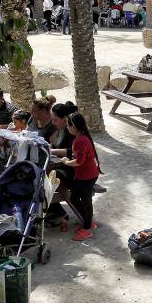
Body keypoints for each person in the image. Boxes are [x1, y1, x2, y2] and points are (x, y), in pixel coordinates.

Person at [59, 112, 101, 241]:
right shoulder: (81, 138)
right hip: (83, 176)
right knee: (75, 199)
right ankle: (88, 222)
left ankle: (87, 228)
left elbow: (79, 161)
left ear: (74, 126)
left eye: (68, 125)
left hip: (88, 176)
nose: (67, 127)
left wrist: (66, 162)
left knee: (86, 201)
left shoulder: (79, 140)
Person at [46, 101, 78, 230]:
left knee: (50, 175)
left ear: (65, 120)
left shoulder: (72, 132)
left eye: (55, 120)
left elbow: (72, 152)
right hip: (62, 166)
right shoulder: (59, 130)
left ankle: (57, 212)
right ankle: (55, 211)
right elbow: (56, 146)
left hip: (72, 171)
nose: (53, 123)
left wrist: (53, 151)